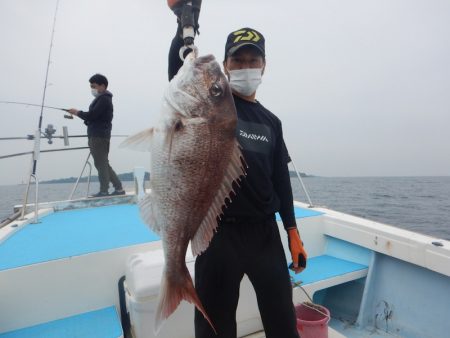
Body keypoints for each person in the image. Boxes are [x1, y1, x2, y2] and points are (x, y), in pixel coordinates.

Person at [168, 10, 307, 338]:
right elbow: (179, 72)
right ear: (227, 67)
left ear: (263, 66)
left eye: (252, 61)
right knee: (215, 328)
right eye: (238, 60)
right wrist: (181, 23)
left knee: (283, 322)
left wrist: (292, 231)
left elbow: (280, 181)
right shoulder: (210, 106)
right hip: (217, 235)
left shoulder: (271, 122)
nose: (246, 67)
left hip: (264, 236)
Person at [68, 74, 125, 197]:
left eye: (93, 86)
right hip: (99, 135)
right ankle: (119, 188)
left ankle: (104, 191)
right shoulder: (103, 99)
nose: (92, 89)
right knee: (103, 163)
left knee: (101, 164)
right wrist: (85, 118)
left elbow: (92, 115)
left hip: (98, 136)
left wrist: (77, 112)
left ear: (102, 86)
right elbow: (96, 117)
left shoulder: (104, 99)